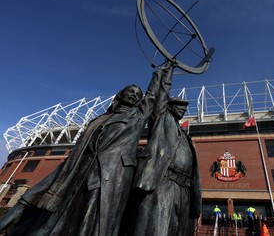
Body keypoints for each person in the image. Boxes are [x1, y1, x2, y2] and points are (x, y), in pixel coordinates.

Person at [0, 64, 173, 236]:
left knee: (93, 218)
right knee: (59, 213)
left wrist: (163, 74)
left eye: (137, 95)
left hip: (110, 173)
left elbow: (153, 96)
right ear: (120, 95)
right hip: (79, 168)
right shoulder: (100, 119)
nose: (134, 95)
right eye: (131, 91)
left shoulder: (137, 116)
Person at [130, 92, 202, 235]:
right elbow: (160, 98)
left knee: (179, 230)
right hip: (165, 183)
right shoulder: (161, 121)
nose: (184, 108)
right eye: (179, 105)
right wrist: (168, 70)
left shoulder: (184, 135)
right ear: (168, 107)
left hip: (184, 190)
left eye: (185, 107)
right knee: (158, 228)